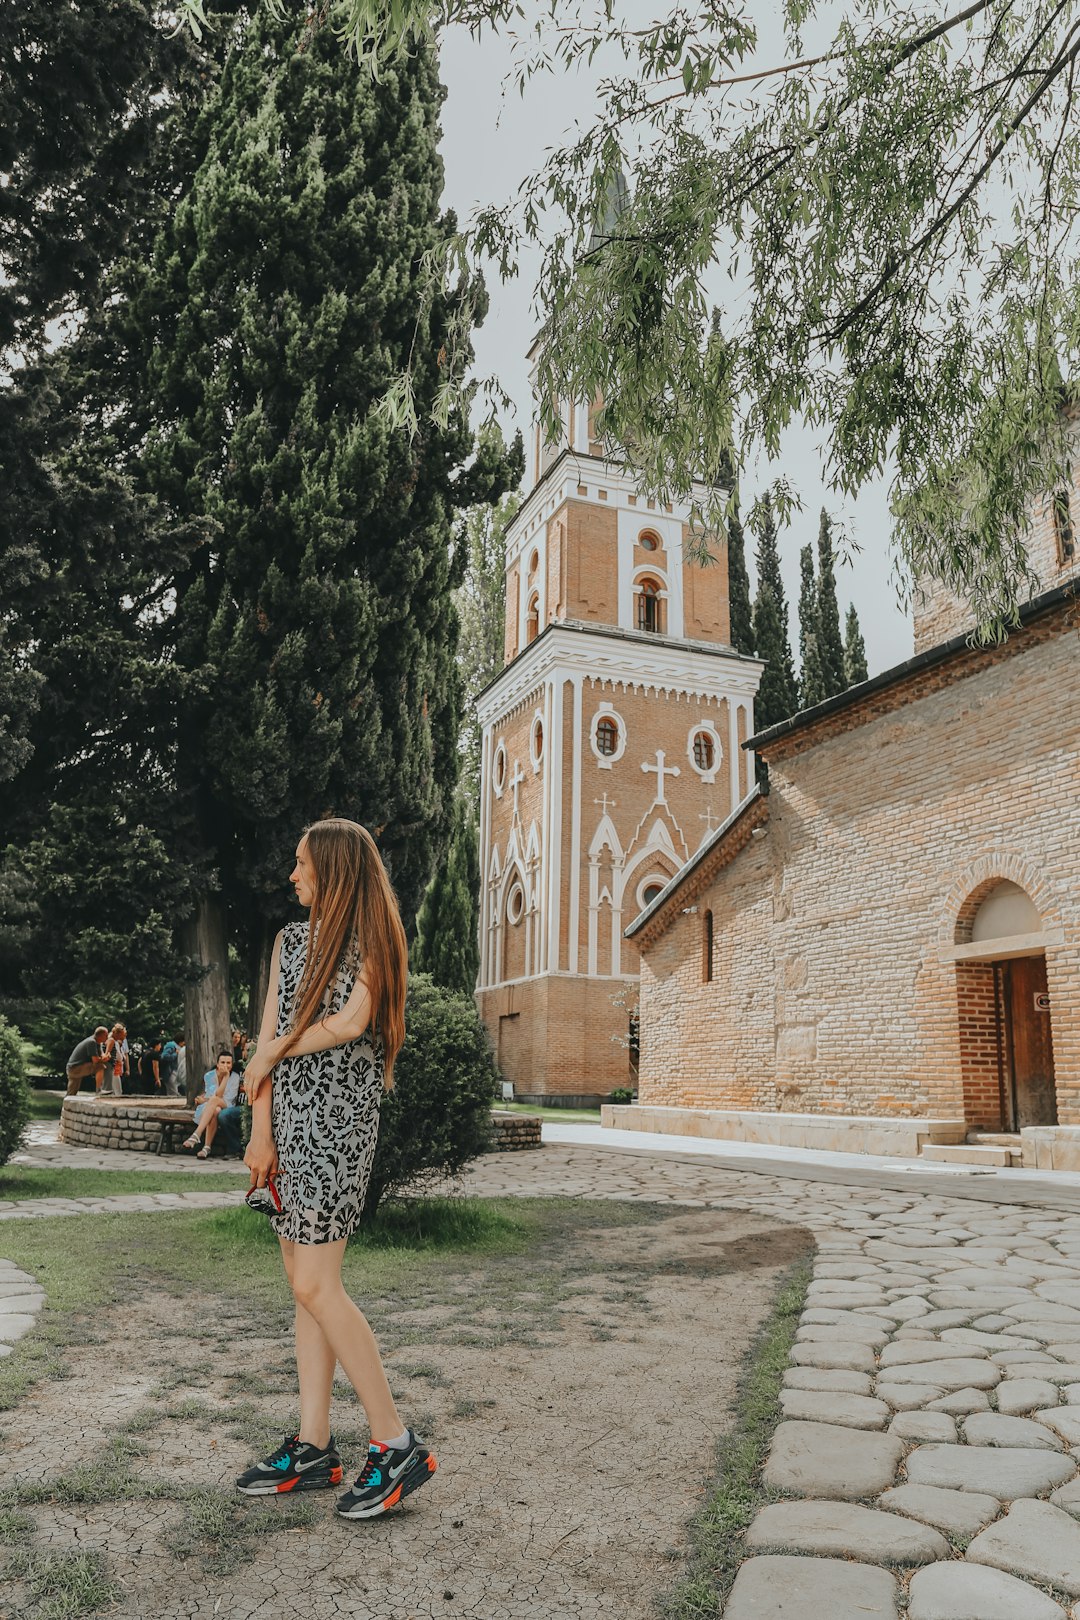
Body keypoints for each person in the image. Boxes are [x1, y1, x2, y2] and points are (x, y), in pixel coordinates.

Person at [238, 818, 436, 1518]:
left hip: (338, 1129)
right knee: (303, 1287)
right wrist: (261, 1133)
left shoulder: (374, 938)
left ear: (334, 867)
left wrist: (271, 1054)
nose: (293, 875)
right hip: (286, 1129)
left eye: (301, 863)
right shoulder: (288, 943)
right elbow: (261, 1046)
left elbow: (351, 1023)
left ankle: (396, 1442)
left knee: (317, 1283)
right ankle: (315, 1446)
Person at [183, 1050, 238, 1158]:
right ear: (217, 1064)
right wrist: (206, 1100)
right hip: (211, 1107)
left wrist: (226, 1077)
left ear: (232, 1064)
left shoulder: (235, 1077)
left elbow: (221, 1097)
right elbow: (213, 1095)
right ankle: (206, 1148)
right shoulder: (209, 1075)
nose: (225, 1065)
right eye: (222, 1062)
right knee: (216, 1110)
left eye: (228, 1063)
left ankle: (197, 1134)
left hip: (227, 1105)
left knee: (215, 1102)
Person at [65, 1027, 109, 1096]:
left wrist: (105, 1057)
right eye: (106, 1035)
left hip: (74, 1068)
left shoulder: (98, 1043)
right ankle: (98, 1091)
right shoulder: (91, 1042)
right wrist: (103, 1059)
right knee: (100, 1066)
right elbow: (95, 1061)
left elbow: (102, 1055)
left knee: (71, 1094)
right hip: (74, 1068)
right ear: (100, 1035)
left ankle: (65, 1106)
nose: (107, 1037)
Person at [99, 1024, 127, 1097]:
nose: (123, 1037)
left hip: (111, 1065)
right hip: (110, 1066)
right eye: (122, 1035)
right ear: (118, 1034)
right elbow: (107, 1053)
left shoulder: (112, 1040)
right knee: (113, 1088)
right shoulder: (111, 1040)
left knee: (114, 1087)